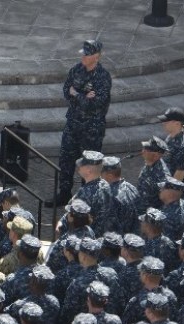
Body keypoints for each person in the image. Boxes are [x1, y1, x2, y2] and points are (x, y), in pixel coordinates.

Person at [50, 40, 112, 207]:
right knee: (66, 160)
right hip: (73, 124)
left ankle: (87, 199)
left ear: (96, 57)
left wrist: (77, 95)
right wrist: (83, 96)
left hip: (91, 129)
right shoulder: (76, 69)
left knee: (89, 164)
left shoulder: (103, 77)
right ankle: (64, 194)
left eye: (87, 54)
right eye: (83, 53)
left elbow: (96, 103)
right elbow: (66, 90)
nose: (83, 56)